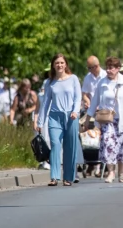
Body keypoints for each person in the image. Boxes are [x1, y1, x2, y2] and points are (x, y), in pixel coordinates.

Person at [88, 56, 123, 183]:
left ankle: (121, 172)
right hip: (108, 120)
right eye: (107, 68)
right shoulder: (102, 82)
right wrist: (87, 119)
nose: (108, 70)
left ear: (118, 69)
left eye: (111, 68)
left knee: (122, 147)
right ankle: (111, 172)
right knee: (108, 143)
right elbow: (95, 101)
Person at [35, 54, 82, 187]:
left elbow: (78, 97)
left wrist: (75, 111)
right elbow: (45, 103)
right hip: (54, 117)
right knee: (55, 144)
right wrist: (40, 122)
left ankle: (68, 177)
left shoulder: (73, 79)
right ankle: (54, 176)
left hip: (71, 116)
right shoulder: (50, 82)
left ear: (65, 64)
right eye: (57, 63)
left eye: (62, 63)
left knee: (70, 147)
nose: (59, 65)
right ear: (53, 65)